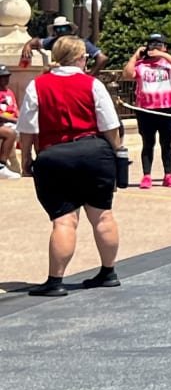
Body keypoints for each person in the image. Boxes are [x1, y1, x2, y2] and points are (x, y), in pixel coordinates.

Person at [16, 36, 125, 297]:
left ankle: (55, 281)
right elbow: (109, 125)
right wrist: (116, 152)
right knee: (102, 215)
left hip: (54, 154)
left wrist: (27, 159)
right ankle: (108, 272)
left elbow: (27, 128)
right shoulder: (92, 84)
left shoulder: (38, 85)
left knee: (64, 220)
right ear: (79, 58)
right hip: (93, 152)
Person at [123, 33, 171, 189]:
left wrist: (162, 54)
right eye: (152, 44)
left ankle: (168, 175)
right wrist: (136, 55)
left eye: (159, 44)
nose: (155, 47)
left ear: (165, 47)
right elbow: (127, 74)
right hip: (146, 110)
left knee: (166, 142)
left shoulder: (170, 63)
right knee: (148, 143)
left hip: (169, 108)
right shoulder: (141, 65)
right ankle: (147, 175)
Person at [19, 16, 109, 73]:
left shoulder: (81, 43)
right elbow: (36, 41)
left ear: (70, 29)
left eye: (64, 28)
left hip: (76, 77)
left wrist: (91, 74)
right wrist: (27, 45)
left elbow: (102, 58)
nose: (61, 32)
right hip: (57, 77)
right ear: (54, 31)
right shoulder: (52, 41)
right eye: (58, 29)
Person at [0, 65, 21, 179]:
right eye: (3, 76)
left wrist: (21, 119)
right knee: (11, 133)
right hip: (3, 123)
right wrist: (13, 120)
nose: (6, 79)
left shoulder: (9, 92)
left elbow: (15, 110)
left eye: (7, 76)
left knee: (32, 131)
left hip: (13, 123)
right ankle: (1, 166)